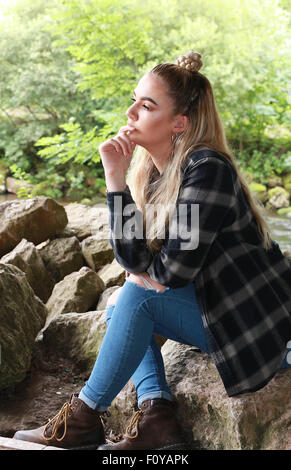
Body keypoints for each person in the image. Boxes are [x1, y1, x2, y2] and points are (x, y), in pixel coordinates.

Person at [14, 51, 291, 450]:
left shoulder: (207, 168)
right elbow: (136, 261)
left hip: (261, 328)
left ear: (179, 123)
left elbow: (170, 273)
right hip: (220, 307)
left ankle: (85, 417)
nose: (130, 112)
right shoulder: (156, 173)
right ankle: (156, 414)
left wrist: (147, 276)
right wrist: (115, 179)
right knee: (121, 303)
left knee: (136, 299)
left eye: (146, 105)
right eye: (134, 99)